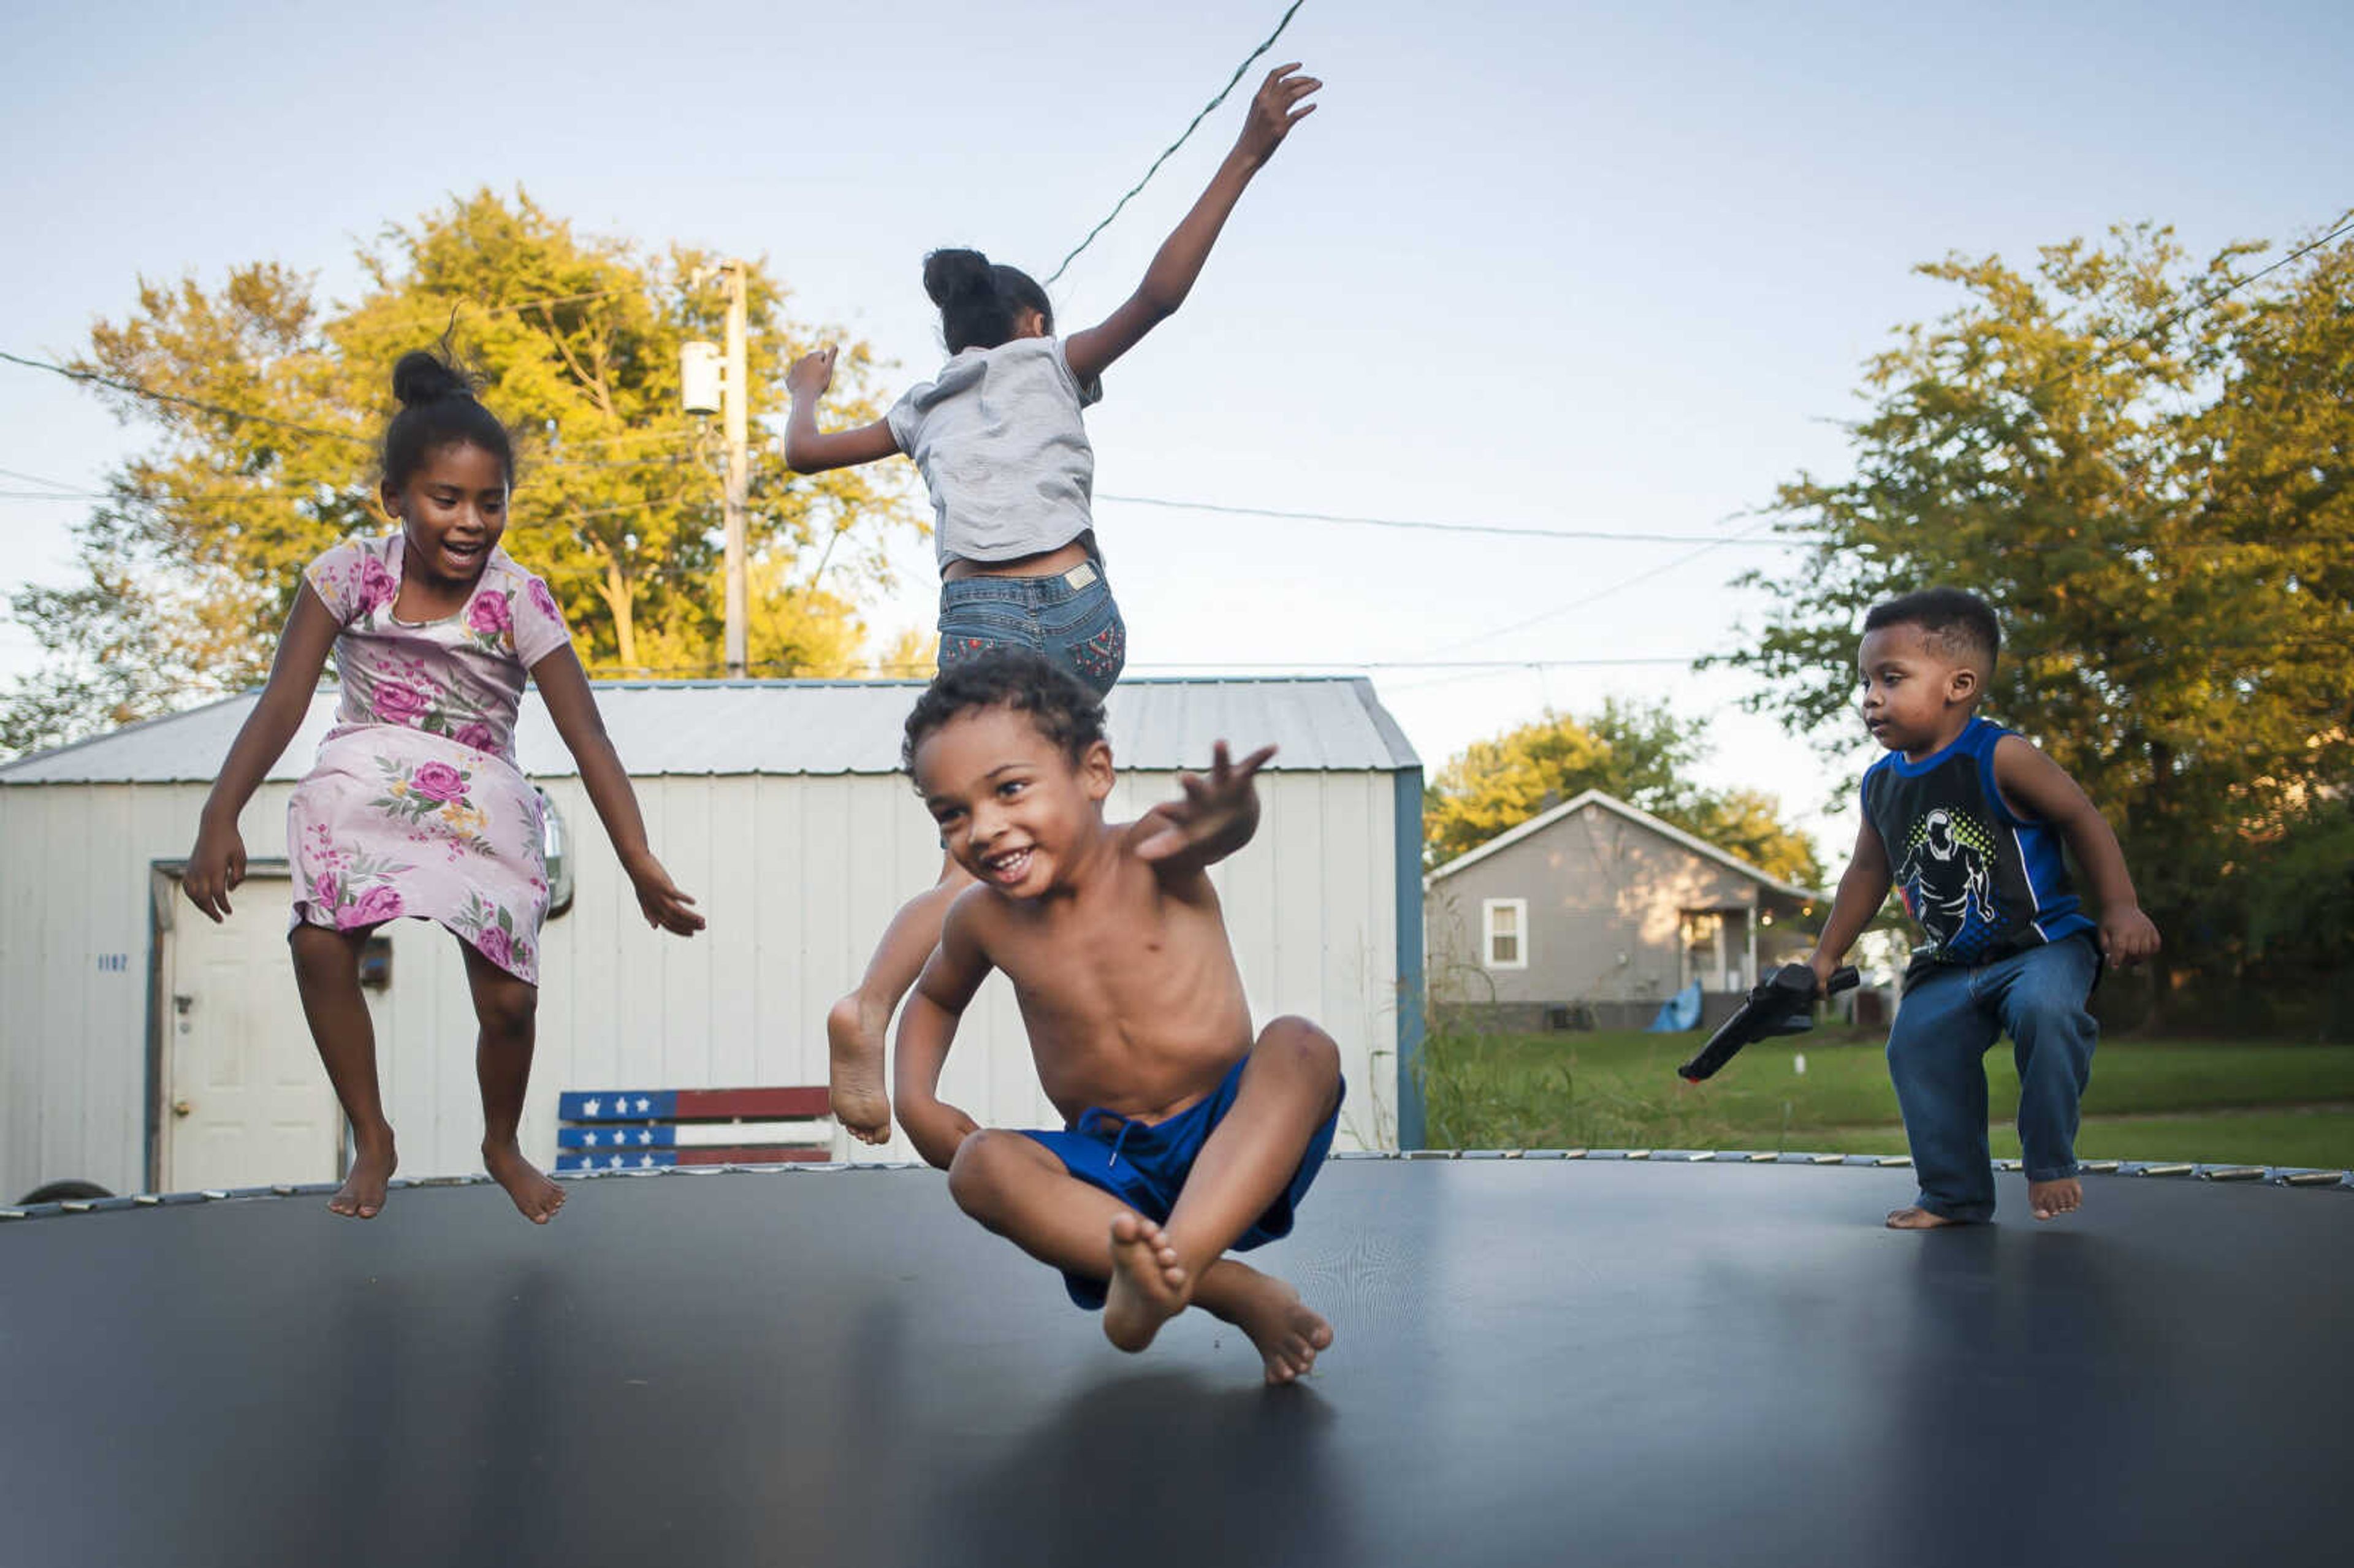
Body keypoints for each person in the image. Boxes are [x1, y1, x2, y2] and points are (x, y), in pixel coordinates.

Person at [782, 63, 1324, 1150]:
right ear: (1030, 319)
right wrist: (1249, 151)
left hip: (980, 617)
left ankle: (875, 1001)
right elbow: (1161, 297)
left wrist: (806, 384)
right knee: (1057, 823)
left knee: (973, 848)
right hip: (1081, 611)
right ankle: (1104, 978)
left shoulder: (919, 408)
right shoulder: (1050, 360)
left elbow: (800, 454)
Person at [182, 349, 706, 1224]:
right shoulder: (348, 574)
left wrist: (638, 856)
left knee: (509, 1000)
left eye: (490, 502)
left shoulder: (519, 598)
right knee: (319, 941)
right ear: (395, 498)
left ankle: (500, 1141)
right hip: (368, 765)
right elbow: (282, 703)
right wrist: (217, 815)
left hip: (480, 788)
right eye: (446, 499)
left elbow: (588, 735)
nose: (471, 522)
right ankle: (373, 1135)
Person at [889, 652, 1344, 1383]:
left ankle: (1180, 1262)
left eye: (1009, 789)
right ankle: (1221, 1286)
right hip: (1112, 1170)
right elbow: (936, 996)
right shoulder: (980, 918)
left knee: (1300, 1043)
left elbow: (1214, 832)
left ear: (1095, 773)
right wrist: (915, 1098)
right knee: (980, 1165)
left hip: (1232, 1138)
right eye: (953, 813)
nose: (984, 827)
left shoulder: (1152, 849)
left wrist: (1233, 814)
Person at [1802, 588, 2160, 1228]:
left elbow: (2081, 815)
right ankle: (1954, 1194)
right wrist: (1826, 954)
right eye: (1864, 682)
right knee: (1914, 1046)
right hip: (1948, 963)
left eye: (1891, 678)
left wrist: (2122, 906)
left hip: (2041, 948)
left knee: (2045, 1012)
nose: (1870, 697)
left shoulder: (2000, 756)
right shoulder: (1881, 783)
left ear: (1959, 684)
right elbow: (1866, 870)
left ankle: (2050, 1161)